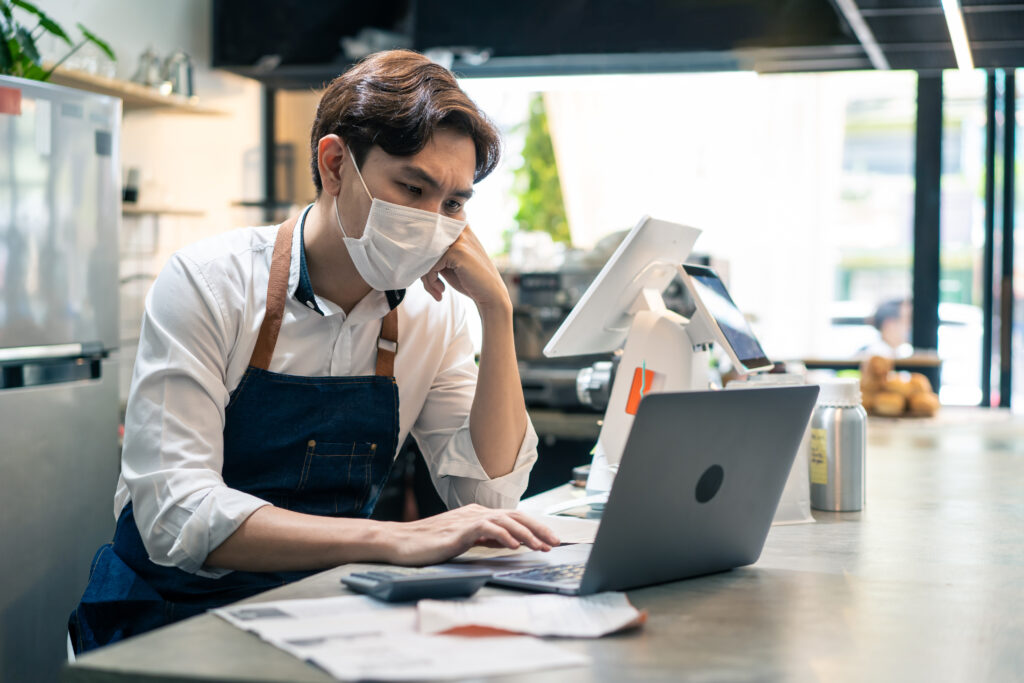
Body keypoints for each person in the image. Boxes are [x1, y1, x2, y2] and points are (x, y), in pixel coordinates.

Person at [69, 50, 558, 652]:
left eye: (453, 204)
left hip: (319, 614)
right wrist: (391, 539)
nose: (434, 223)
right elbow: (177, 512)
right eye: (412, 188)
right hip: (167, 619)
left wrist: (496, 313)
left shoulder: (439, 313)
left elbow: (487, 498)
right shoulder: (208, 282)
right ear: (334, 165)